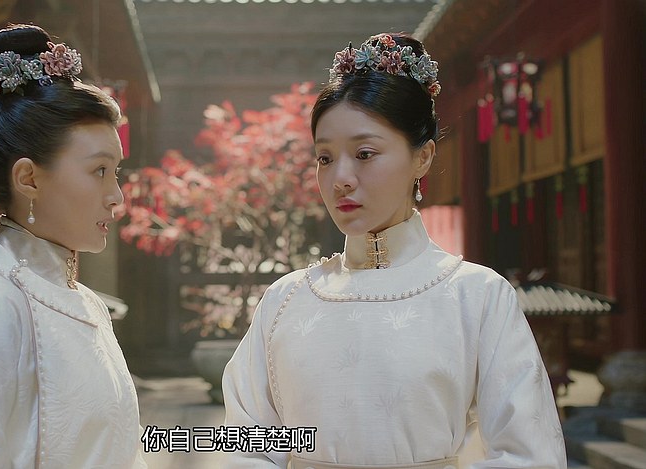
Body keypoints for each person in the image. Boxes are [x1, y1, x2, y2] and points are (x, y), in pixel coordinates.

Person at [222, 33, 566, 469]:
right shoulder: (285, 301)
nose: (340, 179)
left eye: (365, 153)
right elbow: (246, 445)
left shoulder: (478, 297)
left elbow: (528, 454)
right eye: (325, 158)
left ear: (422, 158)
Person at [0, 24, 146, 468]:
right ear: (29, 178)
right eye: (99, 171)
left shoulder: (87, 303)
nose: (116, 196)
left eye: (116, 173)